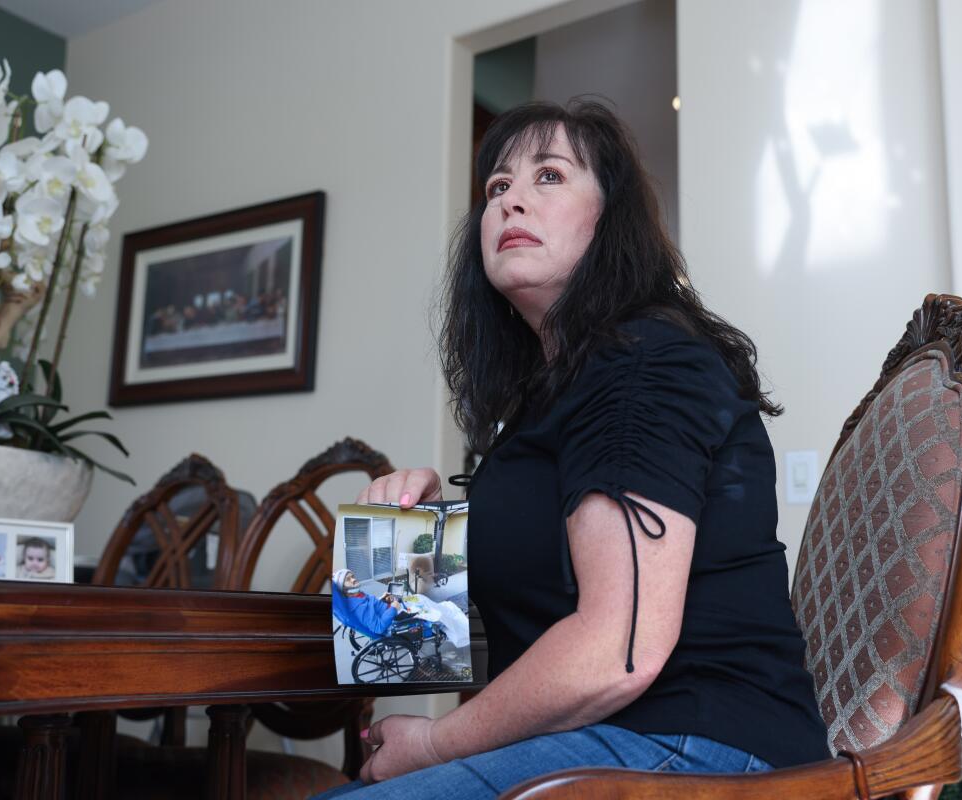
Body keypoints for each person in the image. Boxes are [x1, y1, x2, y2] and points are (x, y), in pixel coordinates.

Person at [314, 100, 828, 799]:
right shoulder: (550, 399)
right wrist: (410, 539)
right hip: (605, 743)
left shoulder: (643, 363)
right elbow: (401, 661)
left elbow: (617, 655)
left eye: (548, 177)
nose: (510, 200)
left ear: (608, 219)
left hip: (696, 749)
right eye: (496, 188)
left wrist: (431, 743)